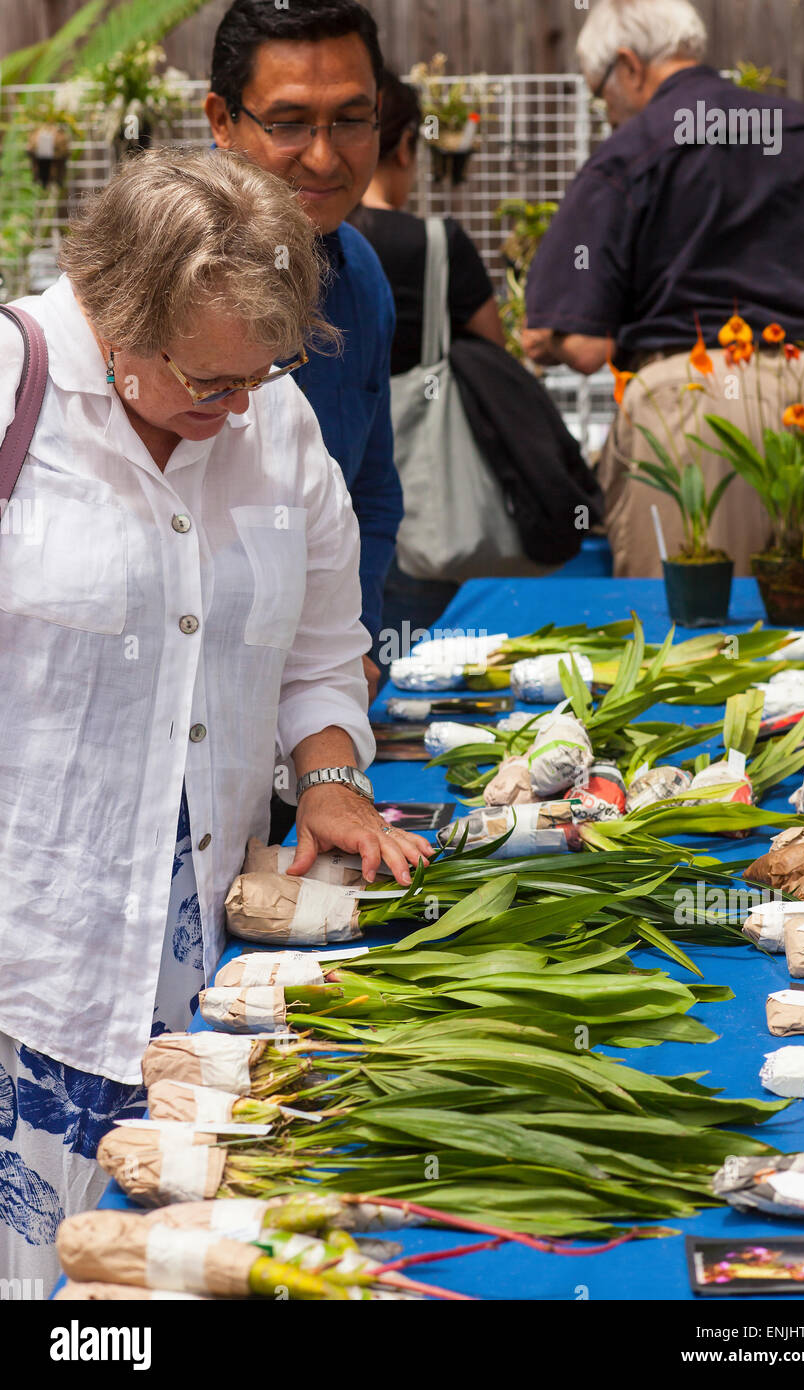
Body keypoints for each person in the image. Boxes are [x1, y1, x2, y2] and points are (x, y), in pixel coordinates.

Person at [0, 148, 432, 1291]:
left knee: (153, 1273)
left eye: (262, 372)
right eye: (208, 382)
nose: (237, 406)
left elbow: (322, 648)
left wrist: (330, 776)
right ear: (112, 318)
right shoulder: (14, 398)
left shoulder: (273, 424)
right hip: (28, 959)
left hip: (196, 968)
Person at [523, 0, 804, 576]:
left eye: (601, 92)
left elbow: (585, 349)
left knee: (690, 645)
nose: (607, 111)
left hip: (689, 418)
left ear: (629, 66)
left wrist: (545, 341)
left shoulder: (625, 156)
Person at [206, 0, 402, 705]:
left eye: (350, 119)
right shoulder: (154, 276)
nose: (324, 156)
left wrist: (353, 638)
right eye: (289, 123)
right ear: (222, 122)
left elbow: (372, 492)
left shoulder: (363, 278)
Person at [348, 69, 506, 645]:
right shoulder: (438, 245)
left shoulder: (317, 242)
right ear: (408, 144)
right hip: (425, 501)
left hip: (329, 491)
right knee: (416, 660)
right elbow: (496, 355)